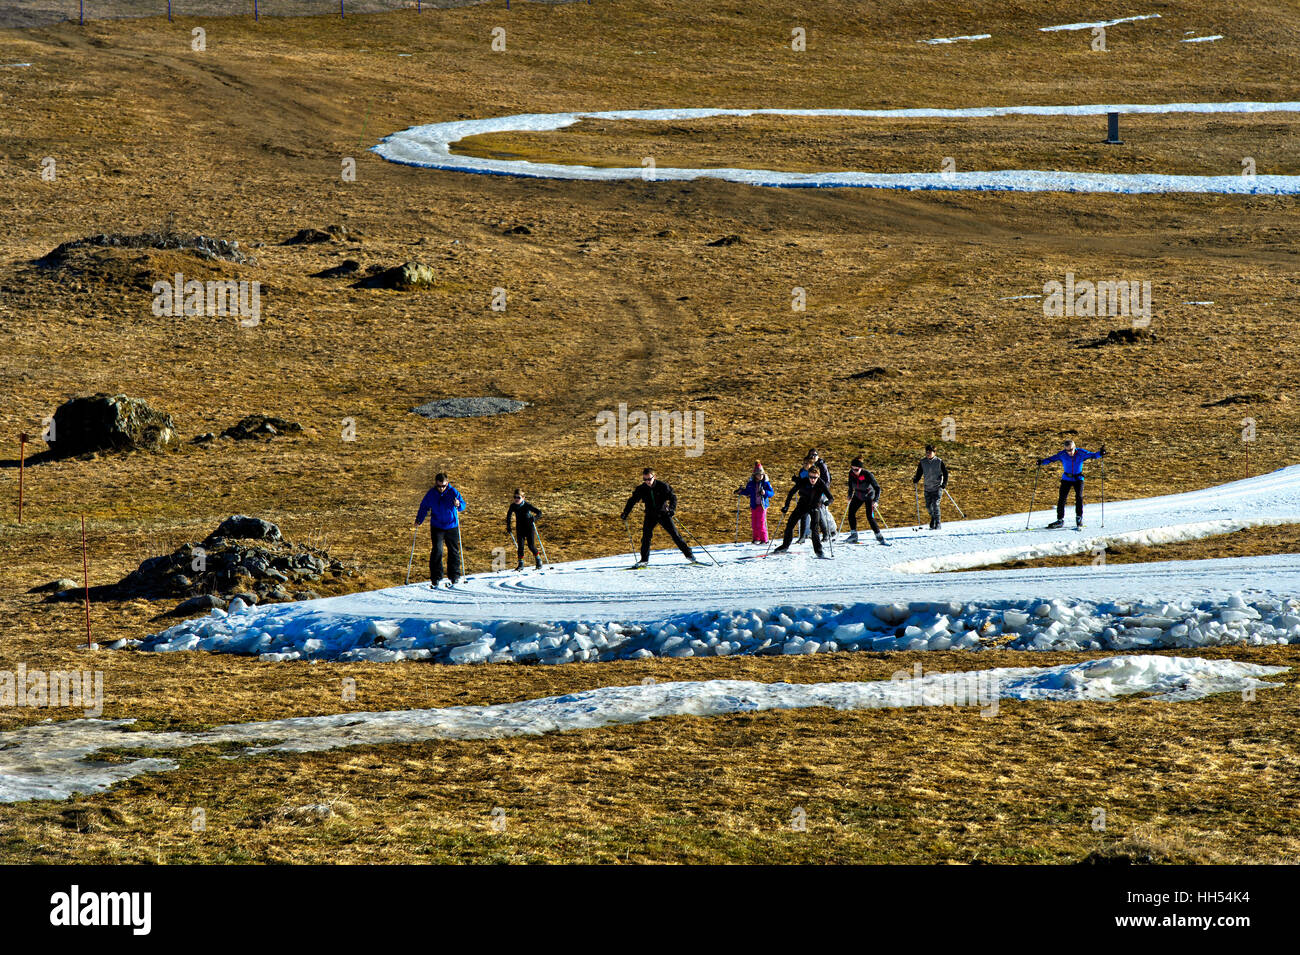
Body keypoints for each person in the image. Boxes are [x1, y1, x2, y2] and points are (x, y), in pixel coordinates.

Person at [621, 468, 699, 566]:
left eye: (649, 479)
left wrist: (671, 509)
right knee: (646, 537)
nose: (647, 482)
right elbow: (632, 500)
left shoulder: (663, 486)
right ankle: (644, 560)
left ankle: (689, 555)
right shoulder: (641, 489)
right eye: (645, 480)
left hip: (663, 514)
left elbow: (673, 498)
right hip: (650, 515)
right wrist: (625, 512)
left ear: (654, 477)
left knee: (675, 535)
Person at [1038, 439, 1106, 528]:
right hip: (1066, 478)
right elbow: (1051, 459)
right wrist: (1042, 462)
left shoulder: (1081, 452)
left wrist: (1100, 453)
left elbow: (1092, 455)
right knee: (1062, 498)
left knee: (1079, 497)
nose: (1069, 452)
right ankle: (1060, 520)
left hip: (1078, 478)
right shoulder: (1062, 454)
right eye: (1067, 450)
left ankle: (1079, 518)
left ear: (1074, 447)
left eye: (1071, 450)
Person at [416, 472, 467, 587]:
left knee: (453, 551)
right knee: (437, 551)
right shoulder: (431, 494)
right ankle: (436, 577)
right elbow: (424, 507)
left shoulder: (453, 492)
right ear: (436, 484)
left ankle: (454, 576)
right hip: (437, 526)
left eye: (443, 486)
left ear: (447, 483)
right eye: (439, 486)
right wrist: (419, 519)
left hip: (451, 526)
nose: (441, 488)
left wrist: (458, 504)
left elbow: (463, 505)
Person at [773, 465, 832, 557]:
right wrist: (786, 506)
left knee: (814, 528)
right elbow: (791, 492)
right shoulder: (803, 482)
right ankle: (785, 545)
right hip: (803, 505)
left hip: (815, 506)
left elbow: (831, 497)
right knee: (790, 524)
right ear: (808, 476)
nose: (812, 479)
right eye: (811, 477)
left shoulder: (821, 483)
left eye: (815, 477)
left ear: (818, 476)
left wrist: (828, 502)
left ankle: (818, 550)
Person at [846, 456, 886, 544]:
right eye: (852, 469)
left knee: (869, 516)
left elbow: (877, 488)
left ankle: (879, 536)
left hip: (869, 496)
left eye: (856, 470)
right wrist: (849, 495)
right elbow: (850, 486)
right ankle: (854, 535)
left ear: (861, 468)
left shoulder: (867, 474)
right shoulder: (851, 474)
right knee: (851, 512)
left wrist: (876, 500)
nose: (854, 471)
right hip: (858, 495)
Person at [735, 461, 775, 543]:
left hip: (762, 505)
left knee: (760, 523)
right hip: (754, 505)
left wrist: (765, 493)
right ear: (755, 475)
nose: (760, 476)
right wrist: (741, 492)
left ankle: (764, 539)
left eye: (761, 474)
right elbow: (748, 491)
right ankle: (756, 538)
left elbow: (772, 493)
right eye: (758, 474)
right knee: (754, 523)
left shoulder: (766, 483)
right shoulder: (751, 484)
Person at [912, 444, 949, 530]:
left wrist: (944, 484)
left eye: (930, 452)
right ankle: (933, 518)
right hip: (927, 487)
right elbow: (919, 473)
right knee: (928, 507)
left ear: (934, 453)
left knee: (936, 505)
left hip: (937, 487)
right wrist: (916, 479)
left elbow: (945, 473)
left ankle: (938, 524)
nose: (928, 454)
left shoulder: (939, 461)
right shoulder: (922, 462)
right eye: (927, 452)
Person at [506, 488, 542, 570]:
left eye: (518, 497)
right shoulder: (513, 506)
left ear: (523, 498)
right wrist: (508, 526)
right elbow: (509, 516)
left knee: (531, 546)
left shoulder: (527, 505)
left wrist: (534, 518)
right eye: (515, 497)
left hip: (529, 528)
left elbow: (539, 512)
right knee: (520, 547)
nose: (516, 499)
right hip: (520, 528)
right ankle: (521, 564)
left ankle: (538, 560)